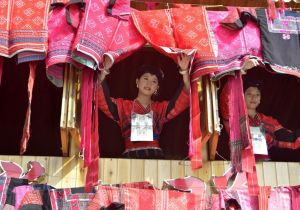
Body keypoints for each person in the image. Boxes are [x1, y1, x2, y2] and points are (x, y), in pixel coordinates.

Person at [96, 54, 191, 159]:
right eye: (145, 78)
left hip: (156, 159)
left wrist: (185, 72)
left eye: (154, 81)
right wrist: (104, 70)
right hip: (129, 159)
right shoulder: (123, 106)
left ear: (157, 88)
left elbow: (182, 100)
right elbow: (101, 100)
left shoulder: (160, 108)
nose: (149, 83)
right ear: (137, 82)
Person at [219, 58, 300, 160]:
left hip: (265, 166)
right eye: (249, 94)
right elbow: (226, 99)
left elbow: (289, 140)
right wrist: (240, 71)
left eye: (257, 95)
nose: (254, 98)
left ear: (260, 99)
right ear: (242, 97)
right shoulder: (234, 115)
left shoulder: (268, 121)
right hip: (241, 162)